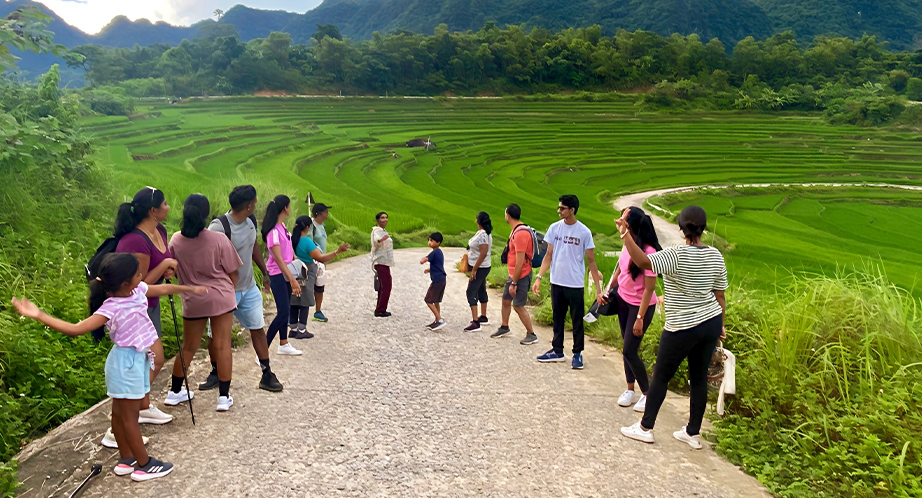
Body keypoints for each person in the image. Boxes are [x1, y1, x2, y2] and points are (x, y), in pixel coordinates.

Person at [12, 253, 205, 481]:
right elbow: (76, 328)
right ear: (125, 283)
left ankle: (126, 459)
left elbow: (161, 290)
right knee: (129, 417)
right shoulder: (111, 307)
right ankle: (144, 464)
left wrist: (188, 290)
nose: (142, 276)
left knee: (119, 412)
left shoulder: (137, 291)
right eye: (137, 274)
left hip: (129, 361)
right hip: (127, 363)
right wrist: (39, 315)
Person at [618, 205, 728, 449]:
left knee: (661, 377)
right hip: (710, 322)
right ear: (703, 228)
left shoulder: (675, 255)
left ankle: (645, 428)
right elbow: (720, 296)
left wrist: (625, 233)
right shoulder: (715, 255)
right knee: (698, 378)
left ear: (681, 229)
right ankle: (692, 433)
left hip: (681, 326)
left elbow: (643, 261)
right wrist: (721, 324)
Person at [198, 185, 283, 393]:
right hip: (226, 291)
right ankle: (216, 371)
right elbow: (209, 260)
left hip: (249, 287)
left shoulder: (250, 222)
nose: (256, 205)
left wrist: (264, 271)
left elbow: (253, 247)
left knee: (257, 329)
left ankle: (266, 373)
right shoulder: (218, 227)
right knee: (215, 335)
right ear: (248, 206)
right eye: (254, 202)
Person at [166, 194, 243, 412]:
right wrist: (229, 289)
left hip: (193, 299)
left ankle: (175, 392)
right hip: (220, 297)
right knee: (222, 345)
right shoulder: (218, 239)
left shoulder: (176, 240)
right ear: (207, 214)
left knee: (188, 346)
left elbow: (171, 269)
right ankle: (223, 397)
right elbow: (233, 272)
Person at [114, 186, 177, 427]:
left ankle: (142, 406)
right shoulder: (134, 241)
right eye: (164, 204)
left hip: (150, 304)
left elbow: (162, 262)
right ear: (153, 210)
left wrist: (168, 267)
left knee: (149, 359)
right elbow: (138, 284)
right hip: (134, 308)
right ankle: (130, 409)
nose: (168, 208)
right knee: (152, 359)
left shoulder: (159, 230)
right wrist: (164, 267)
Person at [531, 195, 603, 370]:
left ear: (572, 210)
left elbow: (591, 261)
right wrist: (539, 277)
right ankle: (557, 350)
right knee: (558, 318)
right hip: (557, 281)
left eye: (562, 208)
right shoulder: (554, 229)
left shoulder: (584, 232)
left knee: (577, 320)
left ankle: (577, 353)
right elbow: (548, 255)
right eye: (559, 208)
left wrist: (599, 290)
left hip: (575, 283)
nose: (559, 211)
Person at [604, 207, 662, 413]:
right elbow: (619, 269)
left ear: (632, 224)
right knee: (626, 347)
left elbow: (649, 288)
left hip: (641, 305)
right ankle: (630, 389)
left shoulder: (649, 253)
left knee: (630, 349)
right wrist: (608, 290)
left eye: (624, 218)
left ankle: (648, 394)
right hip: (622, 300)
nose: (619, 220)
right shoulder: (628, 244)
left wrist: (640, 317)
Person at [289, 215, 350, 338]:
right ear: (307, 227)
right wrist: (337, 252)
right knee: (305, 300)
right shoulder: (306, 241)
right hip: (307, 272)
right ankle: (302, 330)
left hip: (293, 271)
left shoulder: (291, 240)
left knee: (294, 300)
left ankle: (293, 329)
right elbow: (320, 258)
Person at [491, 204, 538, 345]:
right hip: (514, 274)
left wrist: (514, 282)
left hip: (521, 274)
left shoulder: (520, 234)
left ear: (508, 215)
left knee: (518, 305)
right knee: (506, 300)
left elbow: (520, 260)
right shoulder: (516, 230)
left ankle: (531, 334)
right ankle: (504, 326)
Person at [261, 195, 303, 355]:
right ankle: (262, 350)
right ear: (285, 208)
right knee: (284, 312)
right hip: (279, 274)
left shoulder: (282, 227)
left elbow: (289, 250)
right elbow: (278, 259)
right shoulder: (273, 232)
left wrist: (296, 261)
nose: (290, 209)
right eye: (289, 206)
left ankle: (283, 343)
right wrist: (292, 279)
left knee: (284, 309)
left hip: (286, 272)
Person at [463, 212, 493, 332]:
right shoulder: (484, 232)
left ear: (478, 221)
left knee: (471, 291)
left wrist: (474, 269)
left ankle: (476, 322)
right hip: (483, 266)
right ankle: (483, 317)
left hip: (481, 267)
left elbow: (483, 251)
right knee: (481, 289)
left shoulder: (483, 235)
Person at [309, 203, 333, 323]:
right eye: (325, 211)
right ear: (319, 213)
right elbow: (307, 243)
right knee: (307, 288)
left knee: (320, 287)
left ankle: (318, 311)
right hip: (312, 261)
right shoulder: (311, 226)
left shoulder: (322, 226)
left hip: (321, 261)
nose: (327, 213)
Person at [420, 232, 446, 330]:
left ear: (438, 242)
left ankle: (439, 319)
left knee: (428, 300)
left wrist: (423, 260)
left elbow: (424, 260)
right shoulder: (439, 252)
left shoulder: (435, 252)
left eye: (432, 241)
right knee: (436, 301)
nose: (429, 242)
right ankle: (437, 320)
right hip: (442, 279)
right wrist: (429, 270)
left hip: (437, 280)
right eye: (429, 240)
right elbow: (438, 265)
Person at [371, 212, 394, 317]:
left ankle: (380, 309)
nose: (385, 219)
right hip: (380, 261)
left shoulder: (382, 231)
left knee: (383, 286)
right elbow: (377, 241)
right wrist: (381, 240)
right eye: (382, 218)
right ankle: (380, 310)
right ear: (377, 220)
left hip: (384, 262)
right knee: (387, 285)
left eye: (386, 217)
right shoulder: (377, 231)